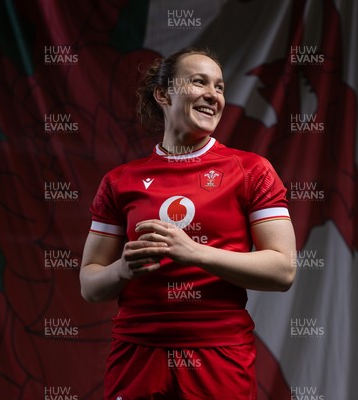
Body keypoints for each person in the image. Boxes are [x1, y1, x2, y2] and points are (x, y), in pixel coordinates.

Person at [80, 47, 296, 400]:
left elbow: (283, 269)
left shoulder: (251, 171)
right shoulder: (120, 181)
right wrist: (123, 269)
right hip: (137, 353)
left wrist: (194, 252)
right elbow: (90, 284)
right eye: (199, 82)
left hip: (218, 354)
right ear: (163, 94)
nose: (214, 95)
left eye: (220, 87)